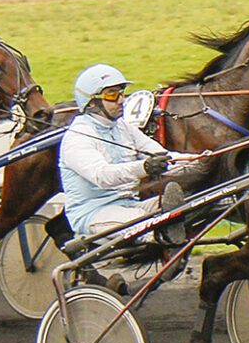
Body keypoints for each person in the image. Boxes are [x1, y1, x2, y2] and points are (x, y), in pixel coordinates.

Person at [58, 64, 197, 237]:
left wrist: (202, 161)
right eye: (112, 95)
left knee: (194, 202)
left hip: (131, 204)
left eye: (122, 93)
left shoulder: (123, 127)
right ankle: (161, 234)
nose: (121, 100)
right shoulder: (78, 137)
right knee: (145, 220)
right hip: (94, 214)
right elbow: (102, 176)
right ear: (92, 102)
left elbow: (163, 157)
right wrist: (144, 168)